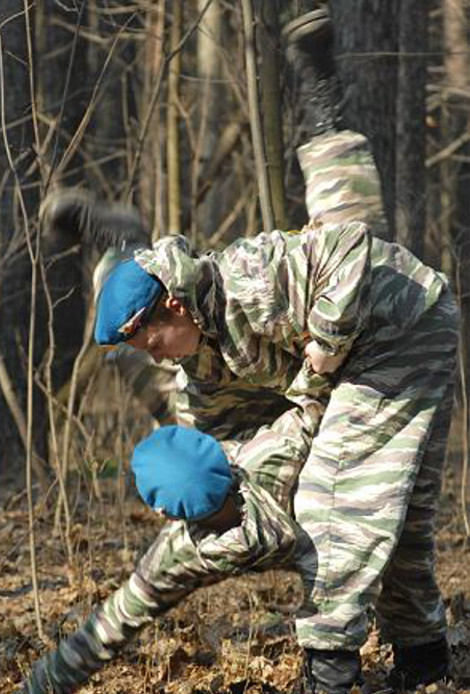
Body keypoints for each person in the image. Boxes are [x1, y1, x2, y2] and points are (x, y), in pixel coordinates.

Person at [39, 5, 459, 692]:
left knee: (343, 500)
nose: (149, 348)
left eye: (150, 332)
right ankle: (424, 657)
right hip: (295, 375)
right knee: (395, 509)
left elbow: (350, 241)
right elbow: (114, 620)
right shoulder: (203, 504)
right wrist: (44, 683)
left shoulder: (250, 283)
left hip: (399, 330)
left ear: (173, 305)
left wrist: (323, 357)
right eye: (205, 519)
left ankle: (341, 665)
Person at [22, 423, 319, 694]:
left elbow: (109, 625)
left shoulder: (175, 555)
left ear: (165, 513)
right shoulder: (276, 448)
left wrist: (35, 689)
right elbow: (316, 407)